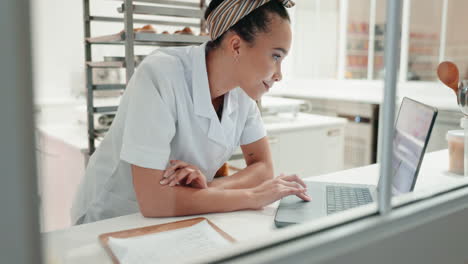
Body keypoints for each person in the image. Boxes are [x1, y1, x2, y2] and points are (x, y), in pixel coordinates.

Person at [71, 0, 311, 225]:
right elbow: (154, 200)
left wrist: (206, 187)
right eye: (276, 56)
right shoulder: (160, 74)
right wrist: (251, 196)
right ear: (236, 46)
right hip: (111, 217)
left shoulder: (242, 93)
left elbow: (262, 169)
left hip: (179, 215)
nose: (279, 74)